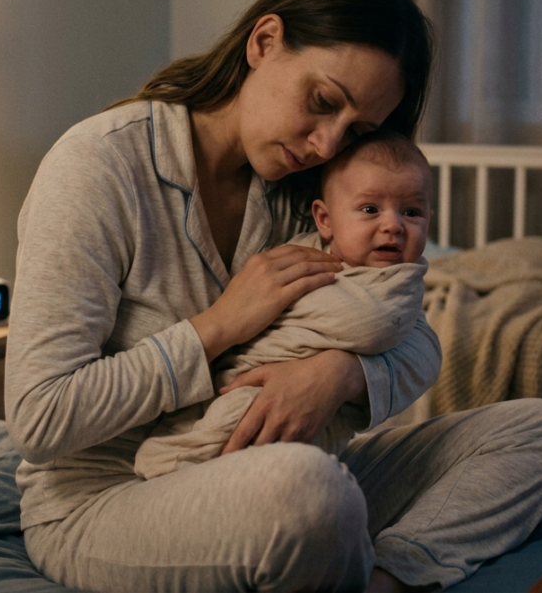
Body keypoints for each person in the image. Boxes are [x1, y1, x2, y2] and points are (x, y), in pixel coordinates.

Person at [5, 0, 542, 592]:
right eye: (322, 102)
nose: (328, 145)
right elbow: (39, 418)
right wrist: (215, 328)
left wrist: (337, 374)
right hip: (109, 495)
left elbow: (414, 332)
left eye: (357, 129)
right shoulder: (99, 168)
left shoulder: (299, 190)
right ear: (264, 42)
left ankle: (391, 576)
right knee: (314, 498)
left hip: (285, 464)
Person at [134, 132, 433, 479]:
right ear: (324, 220)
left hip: (280, 411)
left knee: (243, 421)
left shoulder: (399, 280)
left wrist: (337, 373)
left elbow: (373, 324)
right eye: (370, 209)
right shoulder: (306, 246)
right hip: (228, 378)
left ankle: (169, 467)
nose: (393, 225)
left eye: (412, 212)